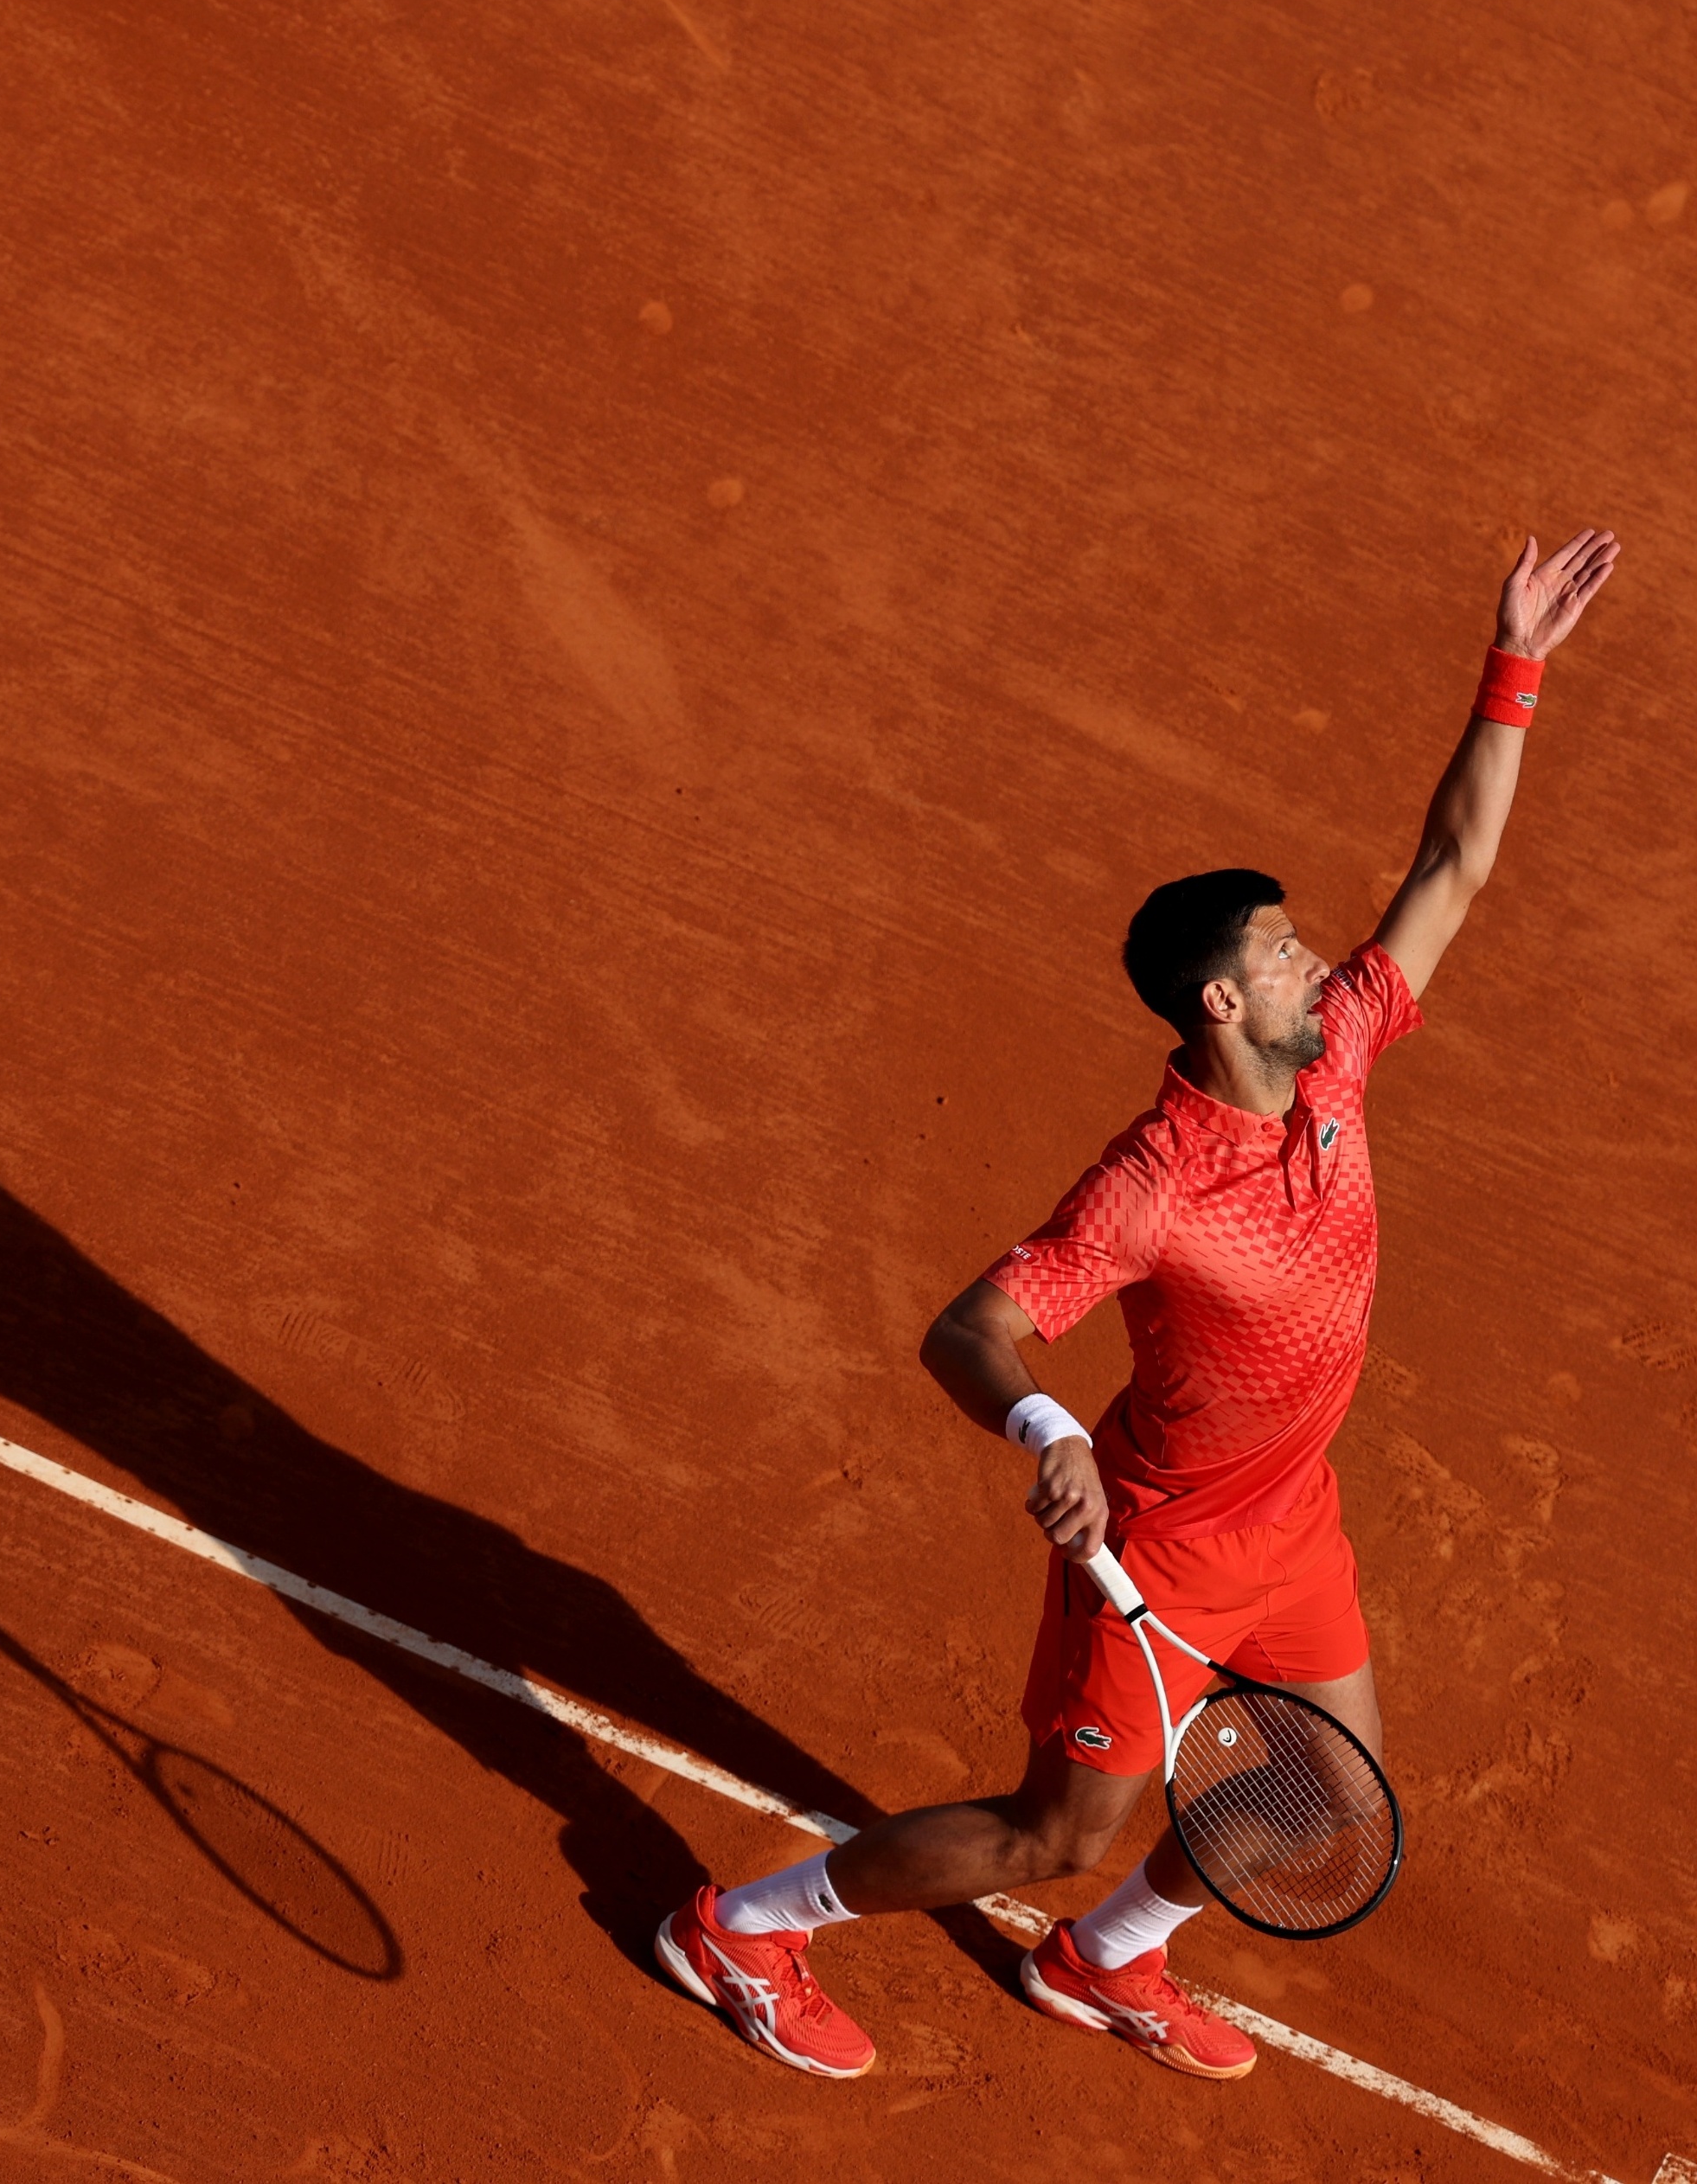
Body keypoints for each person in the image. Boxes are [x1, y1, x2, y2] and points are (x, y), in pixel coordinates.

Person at [657, 529, 1623, 2079]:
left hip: (1290, 1517)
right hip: (1158, 1552)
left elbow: (1453, 866)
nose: (1324, 967)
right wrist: (1051, 1430)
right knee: (1054, 1832)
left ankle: (1108, 1961)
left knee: (1333, 1793)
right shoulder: (1154, 1184)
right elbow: (967, 1328)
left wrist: (1516, 666)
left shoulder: (1343, 1057)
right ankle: (748, 1924)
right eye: (1287, 955)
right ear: (1220, 1003)